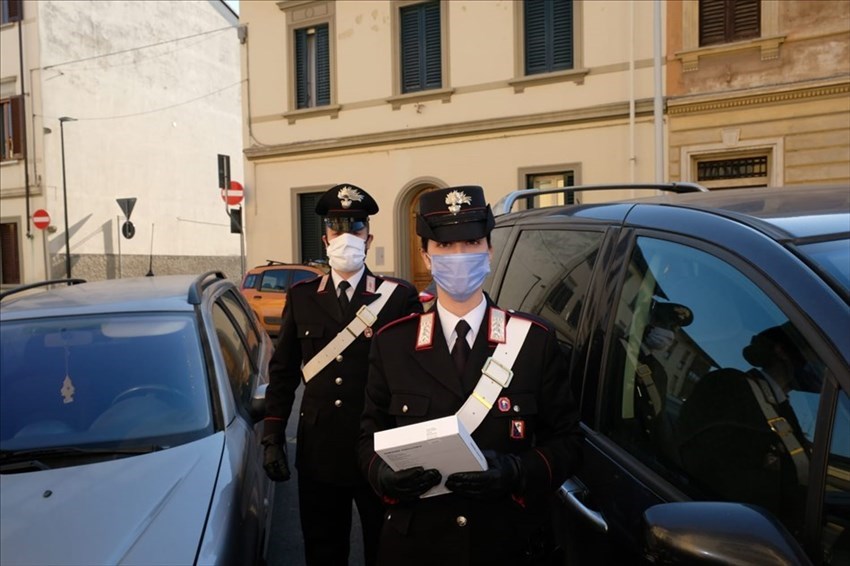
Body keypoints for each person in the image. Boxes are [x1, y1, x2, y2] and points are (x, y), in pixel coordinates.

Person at [358, 186, 583, 565]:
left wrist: (516, 470)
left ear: (489, 251)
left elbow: (568, 442)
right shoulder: (392, 343)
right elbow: (368, 437)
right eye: (445, 247)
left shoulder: (532, 341)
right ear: (425, 256)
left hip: (506, 541)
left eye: (471, 242)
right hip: (417, 545)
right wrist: (383, 476)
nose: (459, 256)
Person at [262, 183, 422, 566]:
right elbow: (283, 371)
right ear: (325, 238)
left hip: (379, 449)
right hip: (320, 451)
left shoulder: (396, 297)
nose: (346, 237)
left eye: (356, 228)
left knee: (384, 549)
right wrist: (272, 435)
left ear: (369, 239)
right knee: (322, 550)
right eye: (338, 228)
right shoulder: (302, 297)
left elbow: (416, 377)